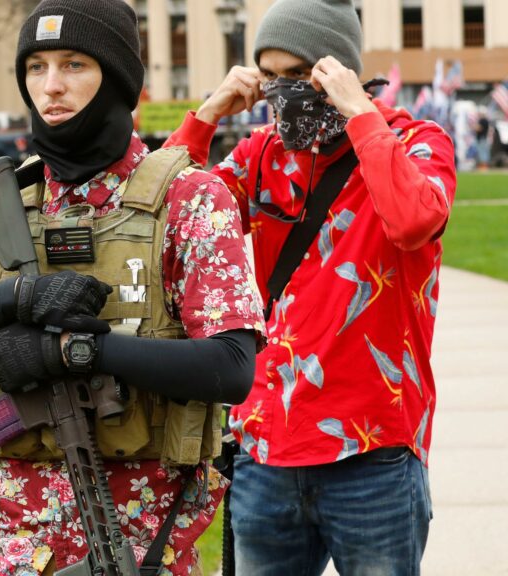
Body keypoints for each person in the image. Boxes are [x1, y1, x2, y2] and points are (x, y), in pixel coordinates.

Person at [0, 1, 265, 574]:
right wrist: (12, 300)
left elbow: (231, 366)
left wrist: (73, 353)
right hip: (5, 544)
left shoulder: (190, 201)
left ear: (116, 79)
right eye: (35, 68)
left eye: (73, 65)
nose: (52, 86)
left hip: (135, 546)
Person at [162, 0, 455, 574]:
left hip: (372, 451)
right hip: (266, 450)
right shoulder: (261, 153)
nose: (285, 93)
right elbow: (170, 221)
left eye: (301, 76)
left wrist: (358, 113)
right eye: (272, 77)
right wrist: (209, 114)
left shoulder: (416, 140)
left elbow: (415, 220)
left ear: (339, 68)